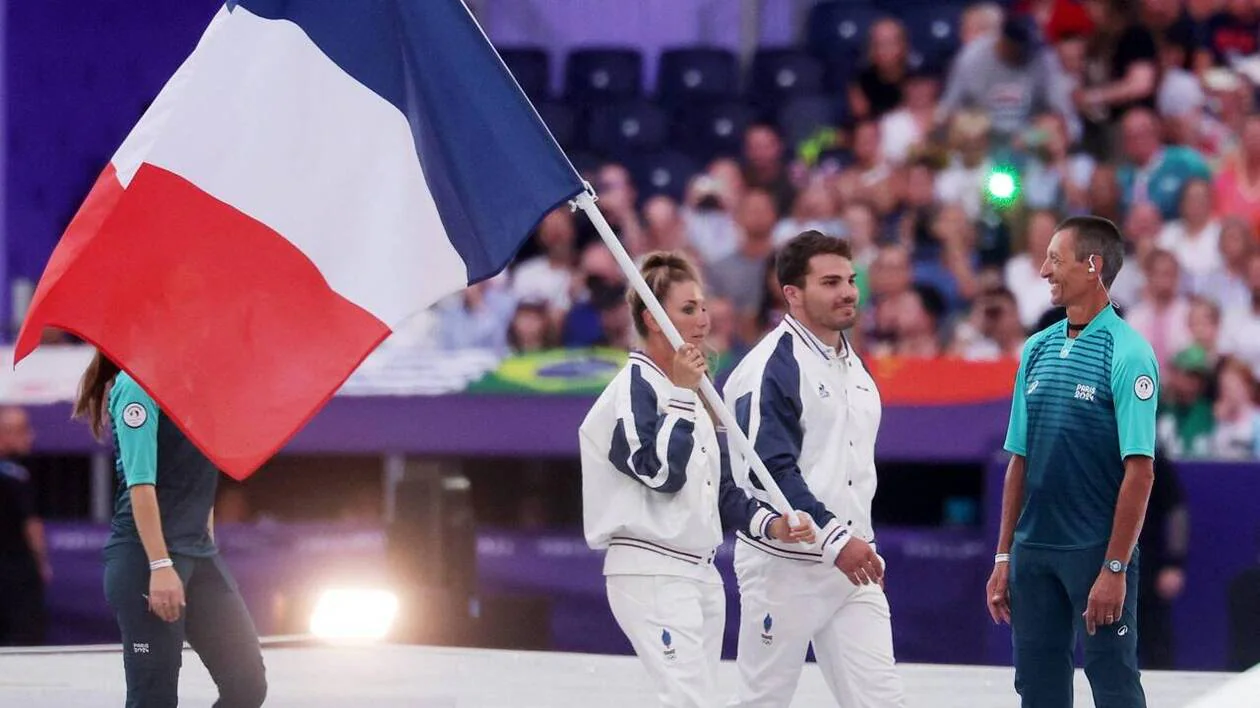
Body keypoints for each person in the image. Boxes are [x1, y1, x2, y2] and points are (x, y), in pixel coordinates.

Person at [579, 252, 813, 708]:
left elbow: (721, 491)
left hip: (701, 571)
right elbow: (659, 473)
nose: (703, 319)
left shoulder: (696, 392)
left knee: (698, 698)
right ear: (652, 316)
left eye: (703, 306)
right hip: (651, 568)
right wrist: (685, 400)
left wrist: (772, 524)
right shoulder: (635, 387)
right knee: (688, 700)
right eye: (688, 309)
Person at [723, 231, 905, 708]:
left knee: (882, 701)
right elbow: (769, 471)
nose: (848, 291)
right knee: (763, 701)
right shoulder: (770, 367)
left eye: (850, 279)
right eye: (830, 282)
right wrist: (835, 538)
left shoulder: (856, 367)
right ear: (792, 294)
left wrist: (852, 539)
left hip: (854, 567)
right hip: (786, 566)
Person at [988, 215, 1157, 708]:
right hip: (1033, 552)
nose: (1043, 270)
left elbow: (1141, 471)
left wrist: (1115, 566)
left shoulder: (1128, 354)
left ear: (1092, 266)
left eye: (1054, 259)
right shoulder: (1036, 349)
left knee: (1114, 684)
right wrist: (1004, 556)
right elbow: (1018, 459)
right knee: (1036, 689)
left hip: (1093, 552)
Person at [73, 352, 267, 707]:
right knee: (154, 699)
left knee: (247, 686)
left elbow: (199, 474)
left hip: (198, 553)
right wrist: (160, 565)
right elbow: (141, 485)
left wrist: (203, 537)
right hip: (145, 558)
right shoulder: (137, 386)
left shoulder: (202, 389)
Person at [0, 406, 50, 646]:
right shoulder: (16, 476)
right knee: (23, 635)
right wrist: (41, 562)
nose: (30, 437)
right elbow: (31, 524)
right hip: (15, 569)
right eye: (23, 431)